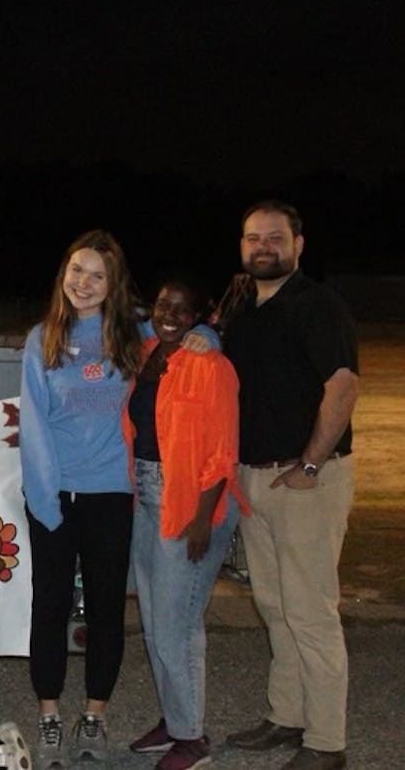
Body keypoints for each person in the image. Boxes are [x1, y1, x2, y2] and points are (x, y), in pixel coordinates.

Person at [19, 230, 217, 767]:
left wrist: (208, 338)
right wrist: (45, 503)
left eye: (97, 275)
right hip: (54, 498)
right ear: (64, 274)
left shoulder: (133, 330)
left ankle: (95, 715)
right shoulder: (42, 339)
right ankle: (49, 714)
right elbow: (33, 426)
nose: (83, 283)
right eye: (76, 270)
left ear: (113, 284)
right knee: (49, 607)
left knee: (107, 610)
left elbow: (188, 329)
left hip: (112, 496)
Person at [219, 201, 359, 770]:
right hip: (256, 477)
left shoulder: (317, 306)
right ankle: (287, 715)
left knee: (310, 611)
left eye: (275, 237)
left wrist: (310, 466)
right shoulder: (244, 310)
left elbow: (343, 387)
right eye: (253, 237)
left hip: (306, 481)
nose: (263, 246)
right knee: (275, 606)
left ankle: (326, 742)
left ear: (299, 245)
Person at [126, 278, 249, 770]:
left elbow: (223, 450)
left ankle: (192, 738)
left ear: (200, 317)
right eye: (163, 305)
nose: (170, 315)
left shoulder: (211, 365)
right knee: (155, 620)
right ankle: (176, 720)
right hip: (146, 497)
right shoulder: (147, 354)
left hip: (191, 504)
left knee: (177, 624)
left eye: (182, 309)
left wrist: (203, 519)